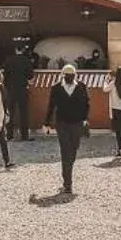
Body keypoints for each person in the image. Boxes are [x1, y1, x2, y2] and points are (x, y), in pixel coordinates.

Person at [45, 63, 91, 195]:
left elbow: (87, 104)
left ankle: (67, 173)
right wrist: (46, 122)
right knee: (66, 151)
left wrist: (84, 118)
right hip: (63, 124)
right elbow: (51, 106)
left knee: (73, 149)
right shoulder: (56, 88)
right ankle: (68, 183)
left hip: (76, 123)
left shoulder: (81, 87)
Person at [2, 43, 35, 141]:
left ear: (15, 50)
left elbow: (5, 76)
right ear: (23, 50)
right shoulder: (26, 60)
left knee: (10, 112)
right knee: (23, 113)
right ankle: (24, 136)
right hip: (22, 89)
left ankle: (9, 135)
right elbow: (30, 76)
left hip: (11, 89)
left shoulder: (8, 60)